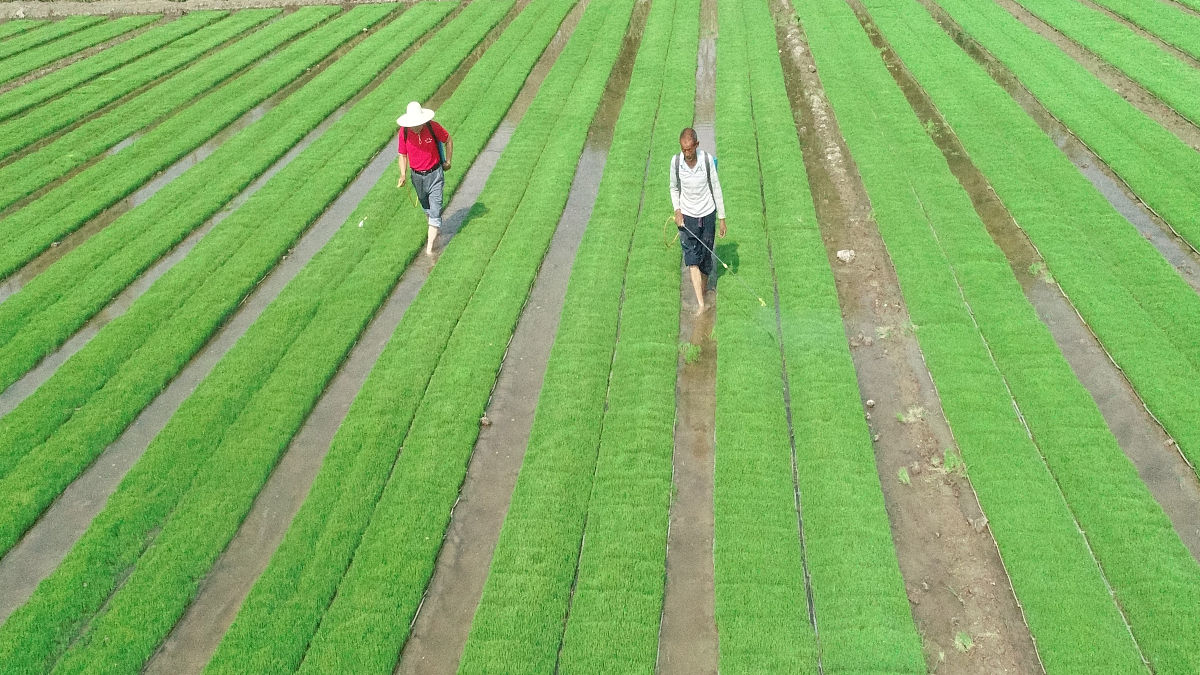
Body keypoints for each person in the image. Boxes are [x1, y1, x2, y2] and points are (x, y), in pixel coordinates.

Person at [670, 127, 726, 313]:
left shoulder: (707, 161)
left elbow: (716, 188)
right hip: (687, 217)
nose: (687, 153)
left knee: (705, 258)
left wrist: (722, 218)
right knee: (692, 259)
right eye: (683, 149)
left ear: (697, 145)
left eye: (690, 149)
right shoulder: (676, 162)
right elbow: (674, 188)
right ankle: (701, 304)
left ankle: (702, 288)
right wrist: (677, 211)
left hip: (707, 213)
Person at [396, 100, 453, 255]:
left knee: (435, 212)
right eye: (413, 124)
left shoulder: (432, 127)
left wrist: (448, 161)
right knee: (426, 207)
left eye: (418, 124)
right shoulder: (404, 132)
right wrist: (403, 174)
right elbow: (402, 154)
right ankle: (434, 227)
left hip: (435, 174)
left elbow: (448, 139)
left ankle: (429, 251)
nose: (416, 127)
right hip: (417, 177)